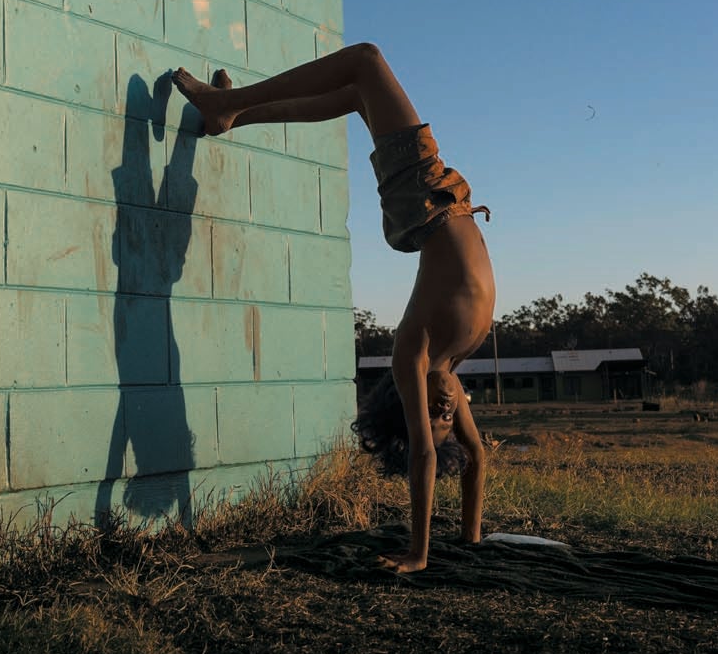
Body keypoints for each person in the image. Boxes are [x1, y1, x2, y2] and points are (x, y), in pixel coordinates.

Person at [172, 44, 494, 572]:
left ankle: (225, 107)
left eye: (434, 418)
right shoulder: (456, 362)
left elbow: (424, 456)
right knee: (351, 93)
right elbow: (476, 457)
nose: (445, 411)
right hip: (444, 199)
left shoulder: (414, 354)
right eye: (449, 416)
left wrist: (418, 553)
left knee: (365, 61)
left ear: (407, 405)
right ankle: (234, 113)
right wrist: (472, 536)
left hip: (422, 199)